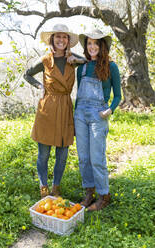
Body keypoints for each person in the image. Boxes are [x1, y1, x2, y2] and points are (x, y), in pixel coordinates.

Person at [23, 24, 84, 198]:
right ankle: (43, 185)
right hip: (47, 108)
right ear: (52, 39)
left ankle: (56, 186)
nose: (61, 40)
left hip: (65, 106)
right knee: (43, 153)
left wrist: (75, 59)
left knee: (62, 153)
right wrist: (39, 85)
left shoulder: (72, 58)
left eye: (65, 37)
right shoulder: (45, 60)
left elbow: (88, 61)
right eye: (58, 36)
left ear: (68, 42)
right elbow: (27, 74)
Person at [74, 29, 121, 211]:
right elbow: (79, 95)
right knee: (83, 158)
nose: (92, 46)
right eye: (89, 43)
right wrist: (75, 115)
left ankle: (104, 195)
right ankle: (89, 193)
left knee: (96, 158)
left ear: (102, 46)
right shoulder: (83, 68)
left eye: (96, 43)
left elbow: (117, 95)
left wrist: (110, 110)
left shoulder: (111, 67)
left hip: (98, 116)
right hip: (80, 115)